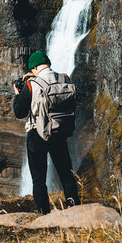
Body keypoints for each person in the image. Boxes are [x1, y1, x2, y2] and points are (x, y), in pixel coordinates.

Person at [13, 50, 81, 214]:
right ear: (48, 64)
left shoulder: (31, 85)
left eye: (32, 70)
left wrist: (18, 93)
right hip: (59, 131)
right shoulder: (65, 78)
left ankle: (43, 213)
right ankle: (74, 208)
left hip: (38, 134)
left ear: (34, 68)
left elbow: (19, 112)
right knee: (66, 174)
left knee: (38, 179)